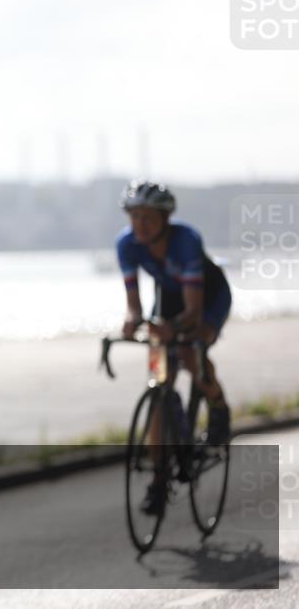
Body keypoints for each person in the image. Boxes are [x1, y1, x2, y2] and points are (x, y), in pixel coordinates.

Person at [116, 180, 232, 515]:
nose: (140, 224)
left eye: (147, 217)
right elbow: (135, 305)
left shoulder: (186, 240)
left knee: (189, 352)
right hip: (167, 301)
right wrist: (131, 320)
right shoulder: (126, 245)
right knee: (158, 386)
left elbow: (193, 312)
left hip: (208, 299)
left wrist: (175, 329)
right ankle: (159, 477)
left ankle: (218, 407)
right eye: (134, 217)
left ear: (165, 218)